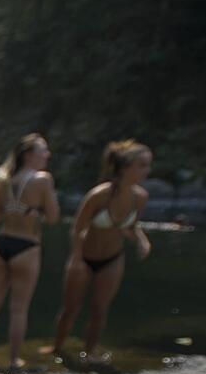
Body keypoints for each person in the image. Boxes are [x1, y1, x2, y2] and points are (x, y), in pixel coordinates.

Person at [41, 140, 153, 359]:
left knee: (100, 309)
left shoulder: (140, 197)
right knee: (70, 308)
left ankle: (89, 353)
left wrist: (141, 240)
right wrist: (76, 258)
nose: (147, 171)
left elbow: (129, 227)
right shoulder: (99, 195)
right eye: (142, 165)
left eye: (148, 165)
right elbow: (77, 228)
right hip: (83, 257)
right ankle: (57, 348)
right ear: (124, 167)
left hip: (113, 258)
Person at [0, 133, 61, 368]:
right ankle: (14, 360)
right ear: (28, 155)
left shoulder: (2, 179)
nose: (48, 155)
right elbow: (54, 218)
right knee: (18, 309)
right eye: (43, 150)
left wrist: (12, 209)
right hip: (27, 246)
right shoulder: (43, 179)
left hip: (1, 244)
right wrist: (38, 211)